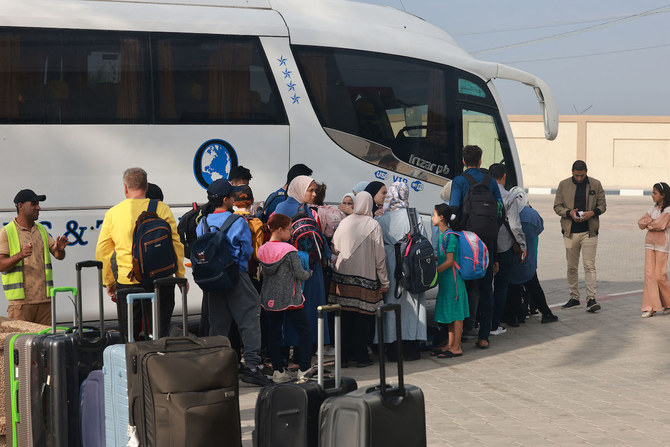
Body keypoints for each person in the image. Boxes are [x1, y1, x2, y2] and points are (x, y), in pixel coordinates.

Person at [195, 178, 272, 386]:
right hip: (236, 275)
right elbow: (246, 251)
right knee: (249, 317)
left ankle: (217, 368)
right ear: (228, 199)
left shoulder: (202, 223)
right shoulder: (238, 222)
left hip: (213, 279)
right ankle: (253, 366)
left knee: (218, 323)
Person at [96, 168, 185, 340]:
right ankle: (158, 363)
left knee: (129, 336)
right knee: (160, 335)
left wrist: (109, 282)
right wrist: (179, 276)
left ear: (125, 188)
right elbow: (176, 244)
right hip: (162, 280)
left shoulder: (113, 213)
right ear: (146, 186)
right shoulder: (162, 208)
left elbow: (102, 251)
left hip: (128, 281)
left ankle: (132, 365)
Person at [449, 145, 503, 349]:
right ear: (481, 161)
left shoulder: (460, 181)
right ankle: (484, 336)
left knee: (464, 285)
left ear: (463, 161)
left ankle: (463, 331)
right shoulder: (490, 181)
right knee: (486, 287)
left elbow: (453, 210)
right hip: (487, 241)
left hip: (466, 241)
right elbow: (499, 210)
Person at [329, 191, 389, 367]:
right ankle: (361, 356)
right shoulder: (373, 225)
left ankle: (344, 357)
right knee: (363, 319)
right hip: (365, 278)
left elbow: (334, 248)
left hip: (342, 278)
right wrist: (384, 281)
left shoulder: (345, 222)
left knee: (345, 317)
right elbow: (380, 257)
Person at [275, 175, 331, 347]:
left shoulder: (299, 208)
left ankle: (301, 351)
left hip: (303, 267)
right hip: (300, 268)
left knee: (303, 309)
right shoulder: (290, 208)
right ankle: (300, 353)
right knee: (302, 309)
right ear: (300, 189)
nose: (314, 194)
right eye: (310, 190)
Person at [258, 213, 313, 383]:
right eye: (289, 229)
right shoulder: (289, 251)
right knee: (305, 331)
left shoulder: (262, 249)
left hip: (269, 298)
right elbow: (300, 274)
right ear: (280, 230)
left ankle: (278, 371)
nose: (291, 232)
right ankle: (304, 369)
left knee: (274, 334)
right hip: (290, 298)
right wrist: (309, 273)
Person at [0, 190, 68, 324]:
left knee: (45, 343)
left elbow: (58, 255)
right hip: (20, 304)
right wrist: (20, 255)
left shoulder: (41, 230)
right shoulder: (6, 232)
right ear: (20, 206)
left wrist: (60, 250)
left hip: (45, 302)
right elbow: (1, 265)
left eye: (38, 204)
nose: (38, 207)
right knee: (21, 344)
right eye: (34, 204)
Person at [377, 182, 427, 361]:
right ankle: (411, 348)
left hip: (391, 266)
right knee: (413, 303)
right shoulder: (414, 216)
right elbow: (424, 240)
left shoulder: (382, 219)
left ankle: (393, 349)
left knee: (391, 303)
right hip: (412, 264)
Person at [553, 160, 606, 312]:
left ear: (586, 172)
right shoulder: (563, 185)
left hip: (589, 232)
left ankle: (591, 299)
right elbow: (557, 207)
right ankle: (574, 297)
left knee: (589, 266)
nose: (579, 178)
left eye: (582, 176)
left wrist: (592, 213)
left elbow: (603, 205)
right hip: (570, 232)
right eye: (576, 176)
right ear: (572, 172)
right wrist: (569, 213)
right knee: (571, 267)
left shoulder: (596, 184)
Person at [506, 187, 558, 325]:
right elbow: (539, 229)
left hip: (511, 258)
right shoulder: (532, 214)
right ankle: (546, 313)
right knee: (534, 287)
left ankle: (515, 318)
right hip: (527, 258)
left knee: (513, 289)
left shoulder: (507, 212)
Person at [489, 163, 527, 335]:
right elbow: (515, 225)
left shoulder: (483, 193)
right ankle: (495, 324)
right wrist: (522, 245)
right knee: (501, 285)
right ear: (504, 177)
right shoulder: (509, 197)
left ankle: (479, 322)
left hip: (484, 246)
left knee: (483, 286)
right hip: (504, 246)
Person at [431, 204, 469, 358]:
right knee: (450, 315)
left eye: (434, 215)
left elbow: (449, 261)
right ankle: (450, 344)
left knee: (457, 315)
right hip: (447, 281)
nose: (432, 218)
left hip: (453, 281)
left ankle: (457, 347)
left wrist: (434, 272)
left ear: (441, 218)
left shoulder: (450, 236)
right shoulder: (443, 235)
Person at [637, 182, 670, 317]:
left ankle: (668, 303)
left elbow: (660, 224)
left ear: (663, 195)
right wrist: (650, 223)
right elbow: (640, 222)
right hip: (649, 244)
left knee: (659, 275)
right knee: (649, 275)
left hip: (662, 245)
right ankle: (650, 307)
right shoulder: (653, 209)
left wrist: (649, 223)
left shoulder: (668, 210)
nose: (652, 195)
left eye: (654, 193)